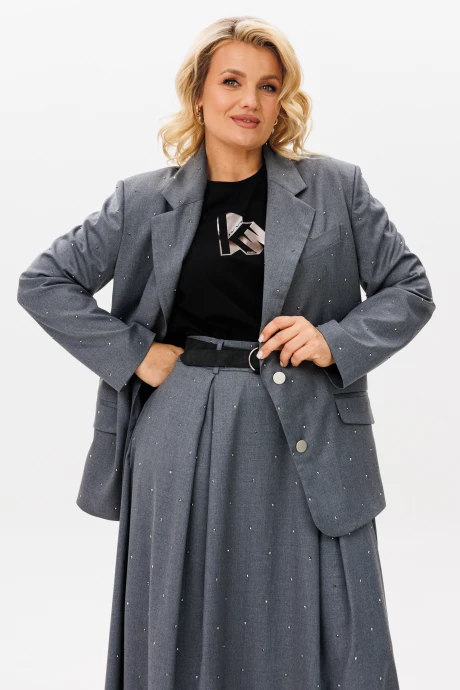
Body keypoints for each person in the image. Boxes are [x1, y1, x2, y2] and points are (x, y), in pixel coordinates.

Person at [17, 15, 436, 690]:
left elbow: (410, 289)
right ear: (199, 95)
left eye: (268, 86)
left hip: (303, 425)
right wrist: (137, 354)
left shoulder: (337, 187)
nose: (250, 101)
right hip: (179, 426)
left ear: (283, 100)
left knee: (327, 614)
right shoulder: (141, 200)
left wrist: (332, 340)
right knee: (184, 609)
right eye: (232, 82)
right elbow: (43, 282)